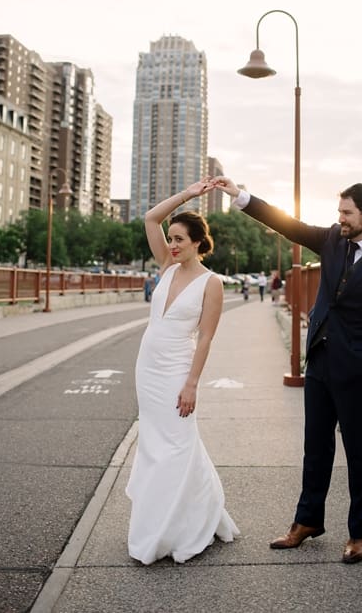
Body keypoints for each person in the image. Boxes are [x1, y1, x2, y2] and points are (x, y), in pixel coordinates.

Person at [212, 177, 362, 564]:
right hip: (321, 360)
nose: (339, 218)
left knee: (358, 453)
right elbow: (287, 223)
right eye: (338, 211)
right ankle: (307, 522)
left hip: (358, 372)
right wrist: (240, 197)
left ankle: (359, 533)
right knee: (315, 447)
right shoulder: (333, 240)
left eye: (346, 212)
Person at [126, 179, 239, 564]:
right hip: (147, 368)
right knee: (155, 445)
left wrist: (192, 384)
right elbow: (150, 217)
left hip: (177, 371)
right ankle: (161, 519)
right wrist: (189, 195)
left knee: (177, 444)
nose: (171, 245)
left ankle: (183, 524)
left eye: (179, 239)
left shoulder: (212, 284)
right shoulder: (166, 267)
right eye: (170, 238)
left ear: (197, 243)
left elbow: (205, 339)